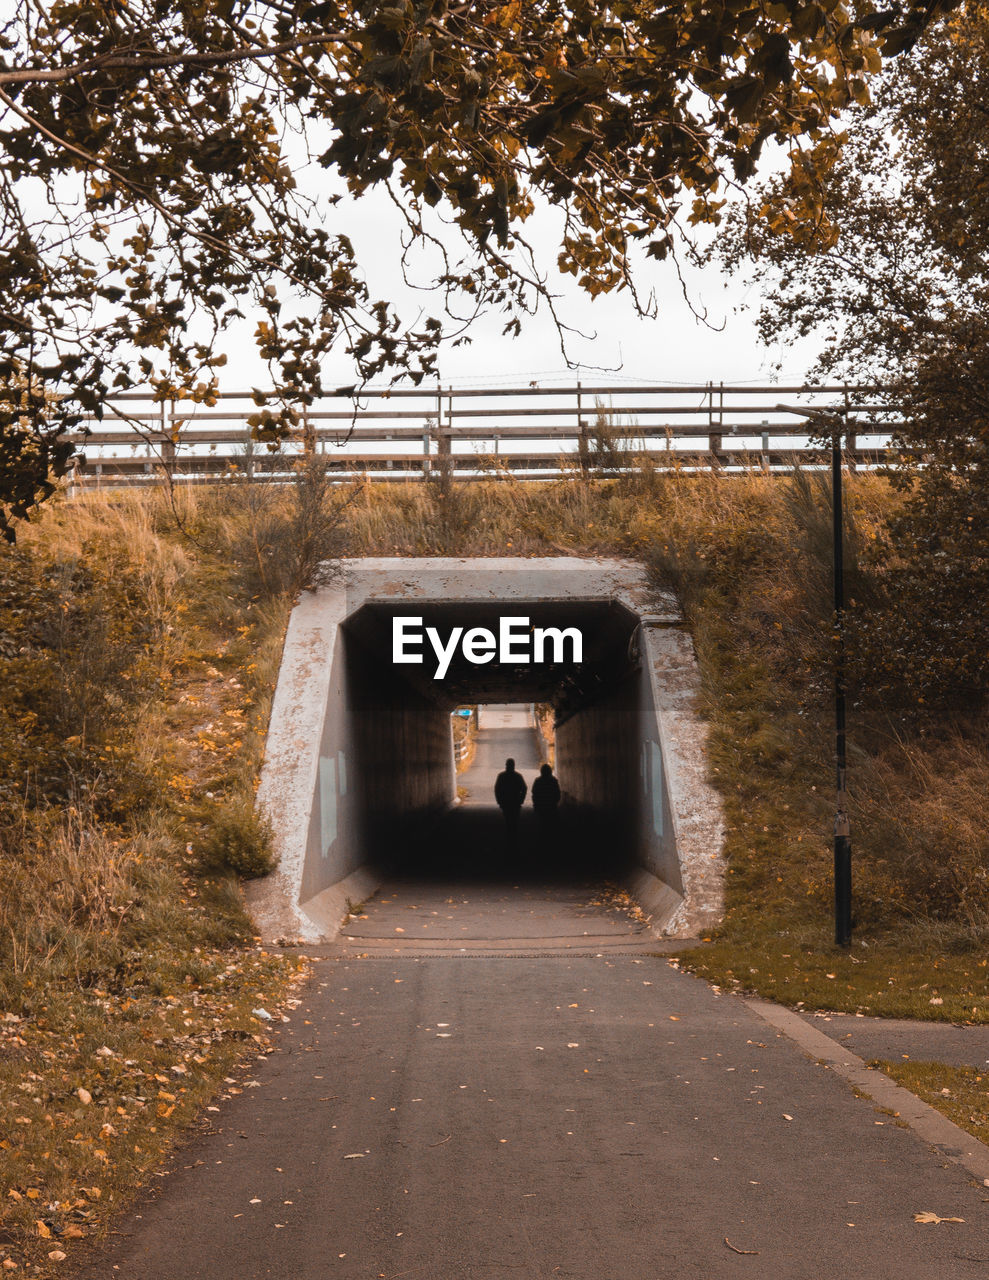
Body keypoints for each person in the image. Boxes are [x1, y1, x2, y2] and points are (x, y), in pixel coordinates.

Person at [494, 757, 527, 842]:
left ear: (506, 765)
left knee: (508, 819)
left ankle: (509, 837)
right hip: (516, 802)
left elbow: (497, 789)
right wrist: (521, 799)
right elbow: (524, 788)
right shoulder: (518, 776)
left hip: (505, 802)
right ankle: (514, 838)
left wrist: (499, 800)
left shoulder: (501, 776)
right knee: (515, 820)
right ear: (514, 766)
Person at [531, 763, 561, 833]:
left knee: (542, 824)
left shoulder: (538, 781)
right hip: (551, 806)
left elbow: (534, 792)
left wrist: (536, 804)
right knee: (551, 825)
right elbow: (557, 793)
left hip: (541, 806)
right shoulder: (553, 781)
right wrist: (555, 802)